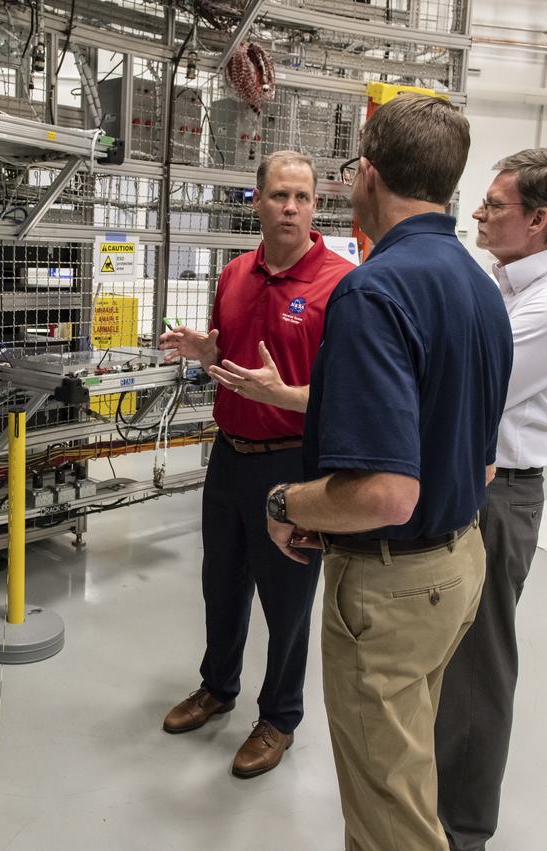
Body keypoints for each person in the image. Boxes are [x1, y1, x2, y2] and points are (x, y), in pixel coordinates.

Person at [262, 94, 512, 851]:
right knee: (404, 770)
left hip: (392, 586)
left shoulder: (374, 289)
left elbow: (383, 492)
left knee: (388, 817)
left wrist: (287, 499)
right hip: (459, 562)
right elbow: (484, 456)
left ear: (366, 175)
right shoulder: (479, 286)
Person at [157, 151, 350, 778]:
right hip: (229, 456)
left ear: (316, 206)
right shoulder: (235, 273)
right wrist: (206, 349)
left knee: (288, 597)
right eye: (277, 196)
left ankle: (279, 717)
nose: (289, 207)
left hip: (295, 464)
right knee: (223, 584)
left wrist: (282, 396)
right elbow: (229, 352)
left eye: (301, 197)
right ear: (258, 201)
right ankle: (217, 687)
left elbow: (350, 396)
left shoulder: (341, 286)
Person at [434, 148, 547, 851]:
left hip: (502, 499)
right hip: (476, 483)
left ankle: (464, 830)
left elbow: (468, 385)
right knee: (449, 655)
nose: (478, 212)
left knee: (478, 665)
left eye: (495, 204)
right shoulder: (507, 287)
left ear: (538, 220)